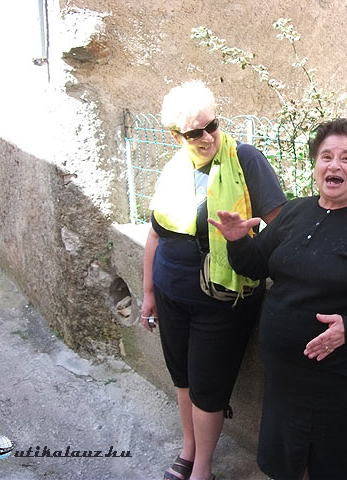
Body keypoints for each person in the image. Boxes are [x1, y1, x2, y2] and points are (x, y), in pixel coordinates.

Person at [209, 118, 347, 480]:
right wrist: (237, 240)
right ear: (316, 165)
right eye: (326, 156)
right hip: (288, 380)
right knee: (292, 463)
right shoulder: (295, 212)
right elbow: (255, 266)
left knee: (339, 467)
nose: (334, 165)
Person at [140, 80, 286, 480]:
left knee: (207, 385)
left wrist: (250, 247)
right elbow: (155, 233)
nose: (207, 137)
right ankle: (188, 451)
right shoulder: (175, 168)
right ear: (176, 136)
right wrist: (148, 292)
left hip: (223, 298)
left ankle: (202, 469)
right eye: (194, 133)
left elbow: (281, 226)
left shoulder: (245, 160)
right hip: (170, 292)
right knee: (183, 378)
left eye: (212, 126)